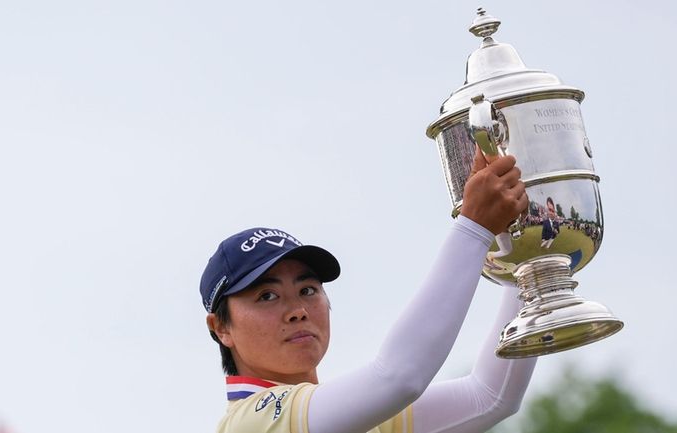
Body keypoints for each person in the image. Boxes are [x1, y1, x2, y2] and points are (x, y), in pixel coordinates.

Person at [199, 151, 537, 433]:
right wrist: (475, 227)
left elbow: (490, 396)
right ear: (221, 327)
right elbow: (400, 376)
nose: (297, 309)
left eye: (307, 289)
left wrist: (527, 256)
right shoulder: (249, 422)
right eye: (267, 296)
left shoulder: (344, 413)